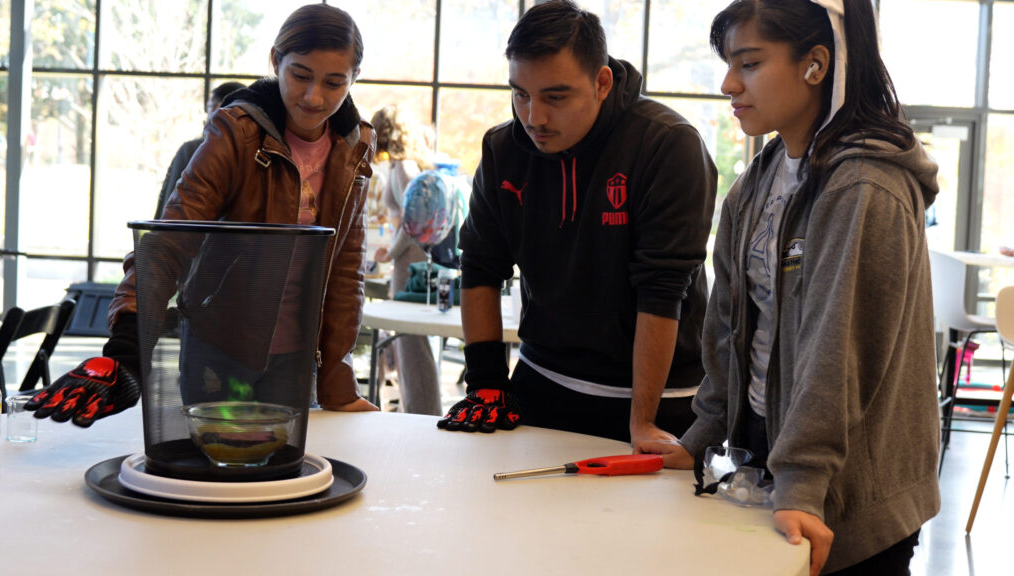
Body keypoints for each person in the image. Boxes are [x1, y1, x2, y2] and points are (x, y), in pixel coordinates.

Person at [658, 1, 941, 575]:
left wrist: (803, 482)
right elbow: (731, 326)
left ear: (816, 63)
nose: (728, 83)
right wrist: (702, 433)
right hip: (770, 463)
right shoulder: (758, 182)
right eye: (729, 63)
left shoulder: (865, 187)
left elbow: (838, 351)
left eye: (750, 63)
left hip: (845, 492)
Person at [25, 3, 379, 426]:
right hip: (222, 349)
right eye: (300, 75)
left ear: (354, 79)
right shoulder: (235, 132)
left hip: (300, 357)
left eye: (334, 82)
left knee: (282, 479)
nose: (313, 97)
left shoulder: (354, 146)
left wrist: (338, 384)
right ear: (275, 61)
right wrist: (125, 353)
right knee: (214, 475)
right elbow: (169, 240)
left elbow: (345, 267)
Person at [438, 0, 717, 446]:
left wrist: (642, 421)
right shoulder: (502, 149)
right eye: (520, 93)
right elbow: (480, 268)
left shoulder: (668, 145)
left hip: (660, 396)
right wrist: (486, 383)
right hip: (542, 380)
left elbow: (662, 289)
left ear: (602, 82)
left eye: (555, 96)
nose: (534, 117)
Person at [370, 104, 442, 415]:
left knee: (411, 345)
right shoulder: (412, 165)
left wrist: (391, 252)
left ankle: (422, 413)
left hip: (409, 261)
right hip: (414, 259)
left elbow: (412, 226)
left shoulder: (403, 168)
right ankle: (419, 410)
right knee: (410, 344)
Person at [155, 81, 247, 219]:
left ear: (218, 107)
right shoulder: (261, 155)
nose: (206, 113)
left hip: (192, 238)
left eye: (208, 107)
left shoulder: (192, 150)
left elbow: (170, 208)